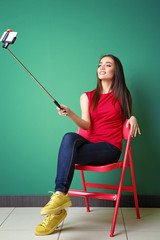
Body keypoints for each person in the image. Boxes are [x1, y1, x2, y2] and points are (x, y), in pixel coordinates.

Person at [35, 54, 141, 236]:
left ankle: (58, 206)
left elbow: (126, 118)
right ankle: (60, 198)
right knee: (69, 137)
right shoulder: (87, 96)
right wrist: (70, 113)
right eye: (100, 64)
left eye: (108, 65)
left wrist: (132, 117)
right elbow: (86, 125)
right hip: (89, 144)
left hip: (109, 148)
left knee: (67, 155)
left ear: (116, 72)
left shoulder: (123, 95)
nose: (102, 68)